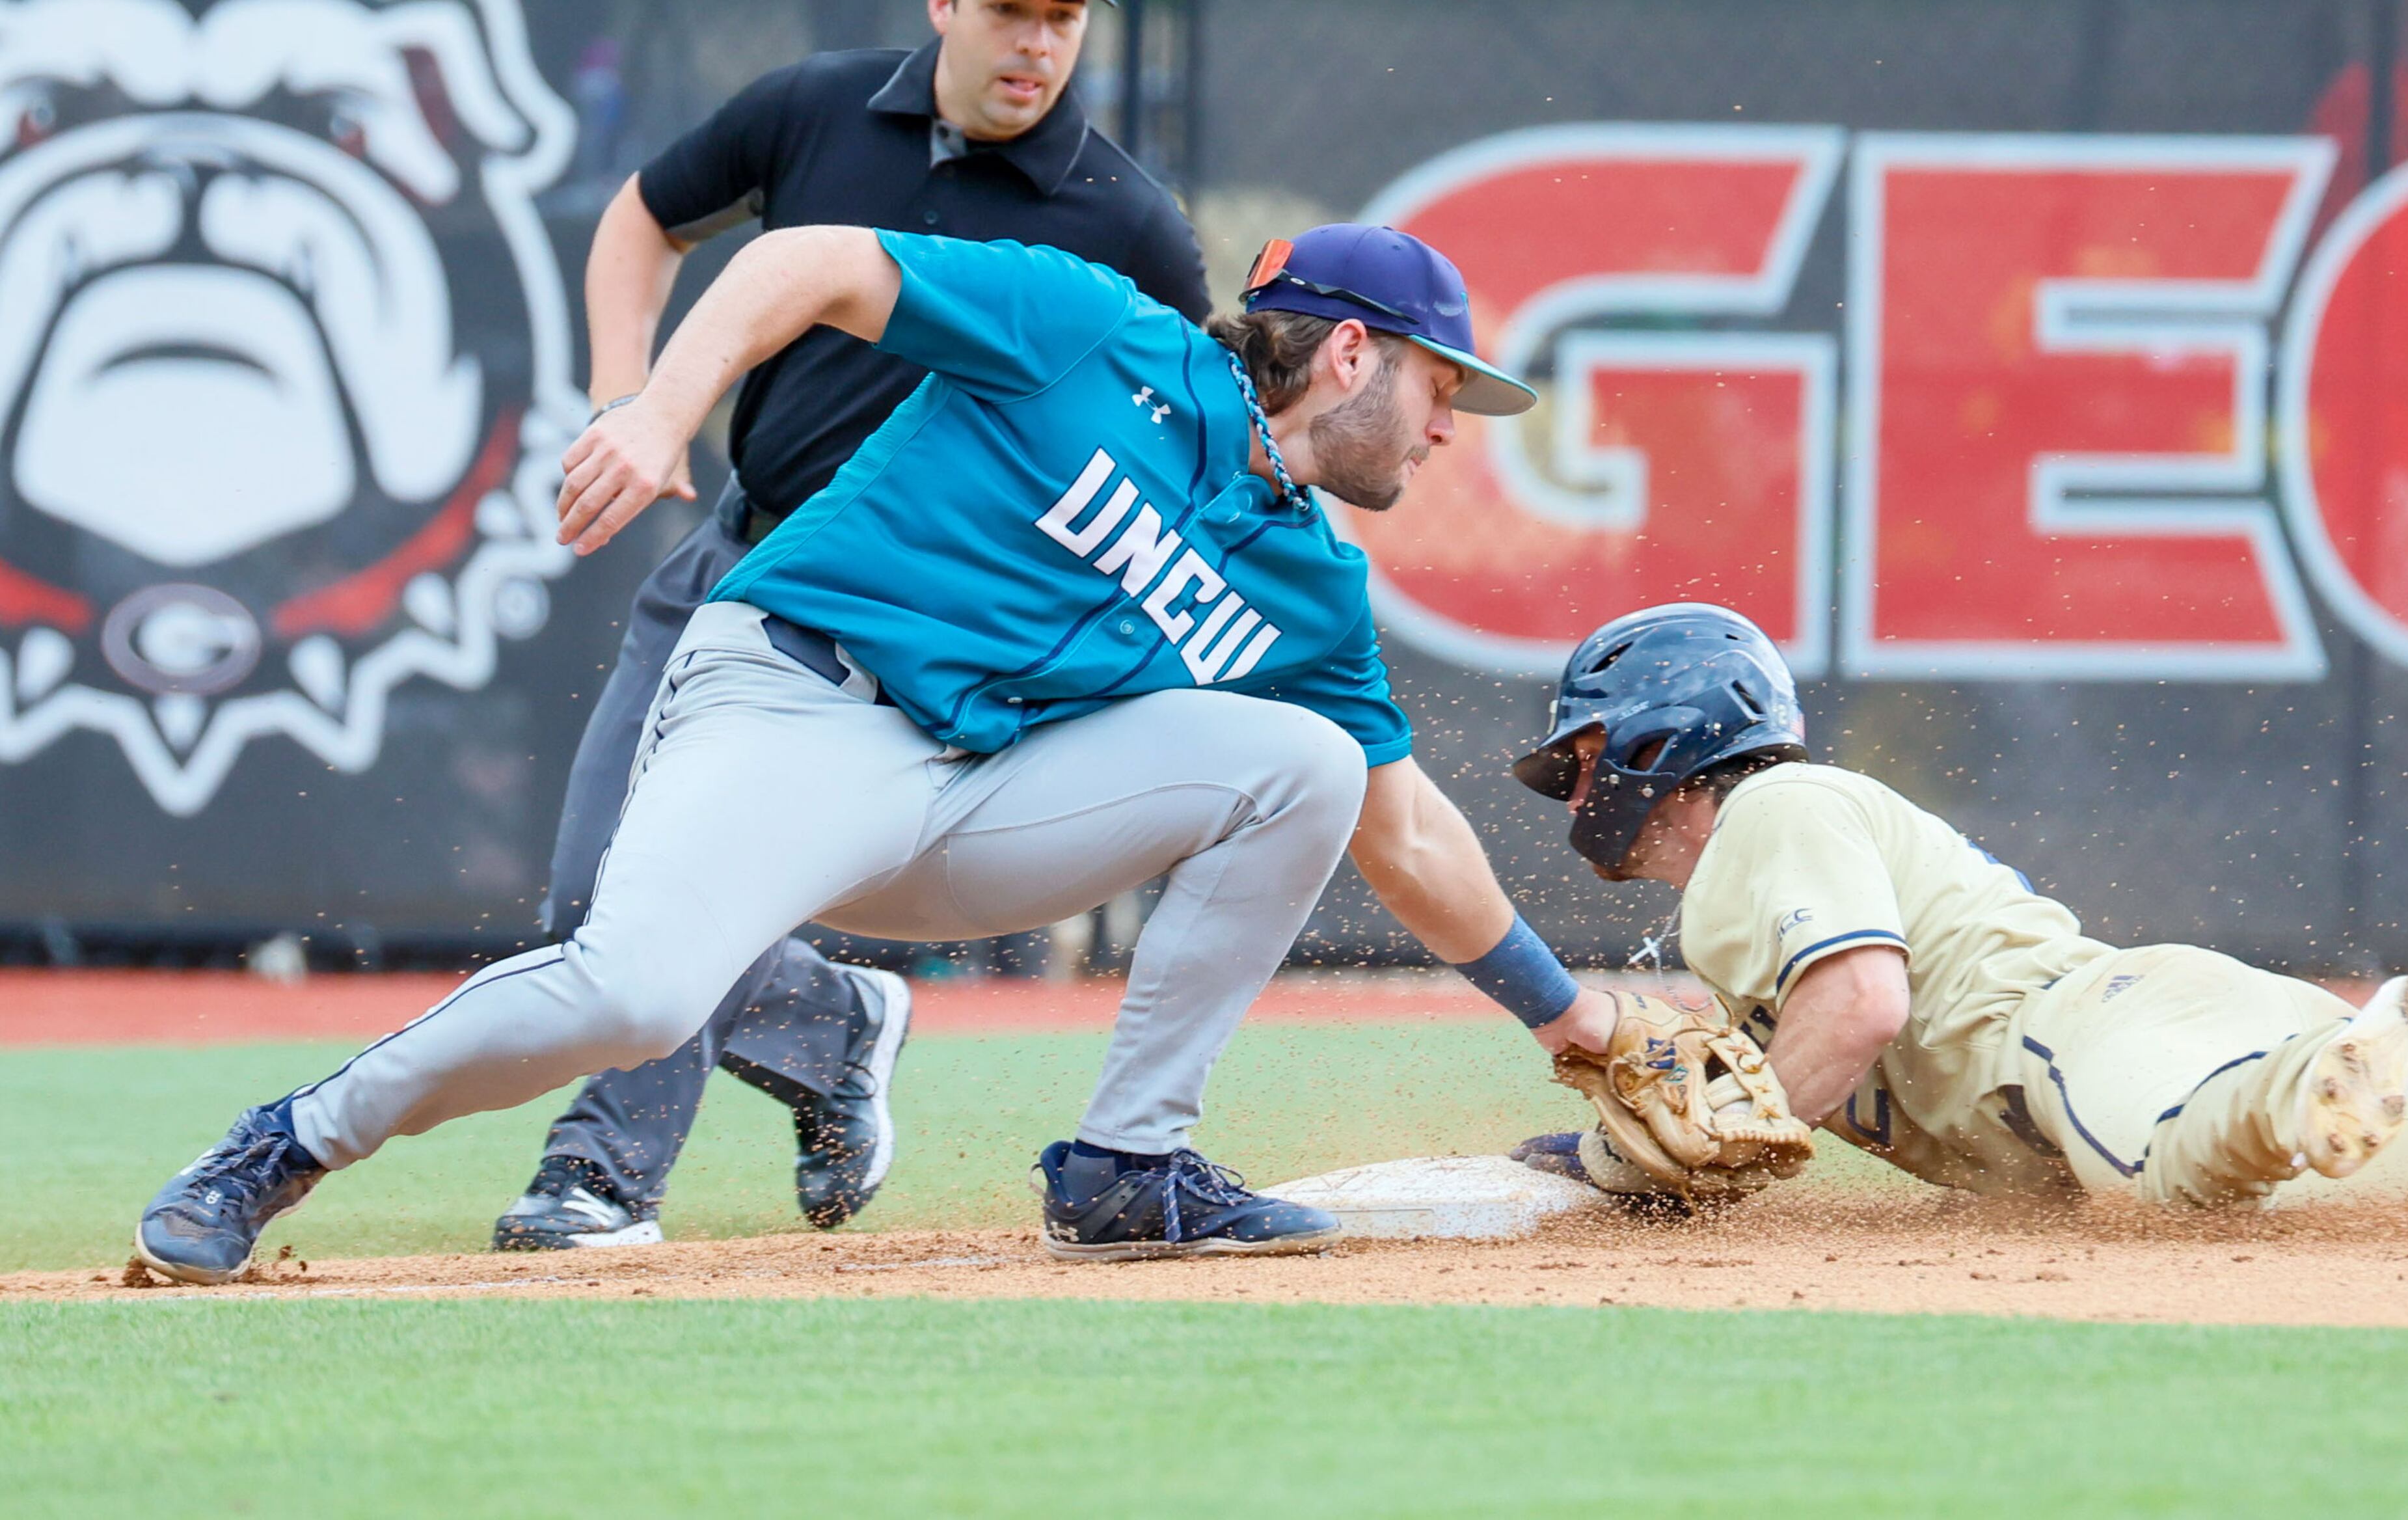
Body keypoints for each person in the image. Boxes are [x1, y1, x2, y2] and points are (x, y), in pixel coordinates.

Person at [129, 220, 1625, 1286]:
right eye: (1443, 389)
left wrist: (1573, 1026)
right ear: (1351, 351)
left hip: (984, 800)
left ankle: (1128, 1170)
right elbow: (815, 263)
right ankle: (289, 1143)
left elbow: (1403, 826)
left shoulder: (1315, 581)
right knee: (640, 992)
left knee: (1304, 762)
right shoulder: (1096, 330)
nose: (1447, 433)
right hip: (799, 703)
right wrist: (661, 404)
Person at [499, 0, 1212, 1250]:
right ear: (942, 1)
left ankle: (598, 1175)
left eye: (1068, 13)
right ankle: (836, 1024)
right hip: (736, 563)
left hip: (907, 644)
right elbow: (644, 217)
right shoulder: (816, 105)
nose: (1039, 43)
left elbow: (1199, 433)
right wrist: (624, 400)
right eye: (1011, 7)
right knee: (592, 896)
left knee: (677, 892)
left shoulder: (1122, 218)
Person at [1510, 603, 2408, 1208]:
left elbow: (1862, 1007)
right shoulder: (1769, 862)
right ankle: (2326, 1069)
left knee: (2170, 1174)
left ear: (1661, 740)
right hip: (2171, 1027)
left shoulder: (1776, 805)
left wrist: (1697, 1156)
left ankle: (2306, 1081)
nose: (1578, 787)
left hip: (2087, 1039)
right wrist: (1624, 1154)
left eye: (1587, 755)